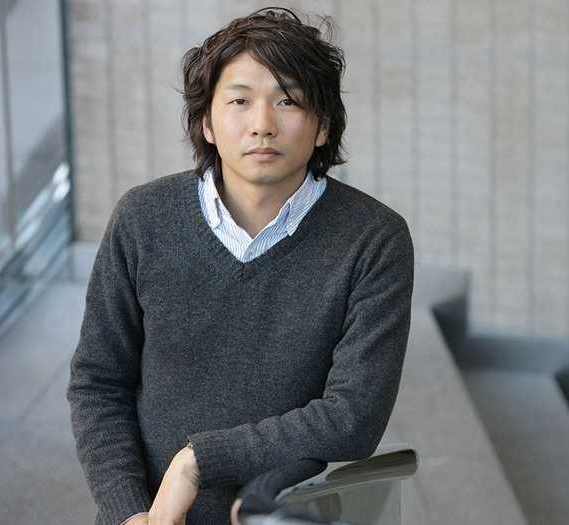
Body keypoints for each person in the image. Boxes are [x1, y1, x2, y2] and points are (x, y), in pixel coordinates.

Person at [66, 7, 414, 525]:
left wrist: (198, 462)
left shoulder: (374, 239)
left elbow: (353, 417)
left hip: (280, 515)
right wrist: (127, 511)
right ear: (207, 123)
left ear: (323, 126)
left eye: (288, 100)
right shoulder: (143, 218)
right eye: (239, 101)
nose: (263, 125)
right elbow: (99, 382)